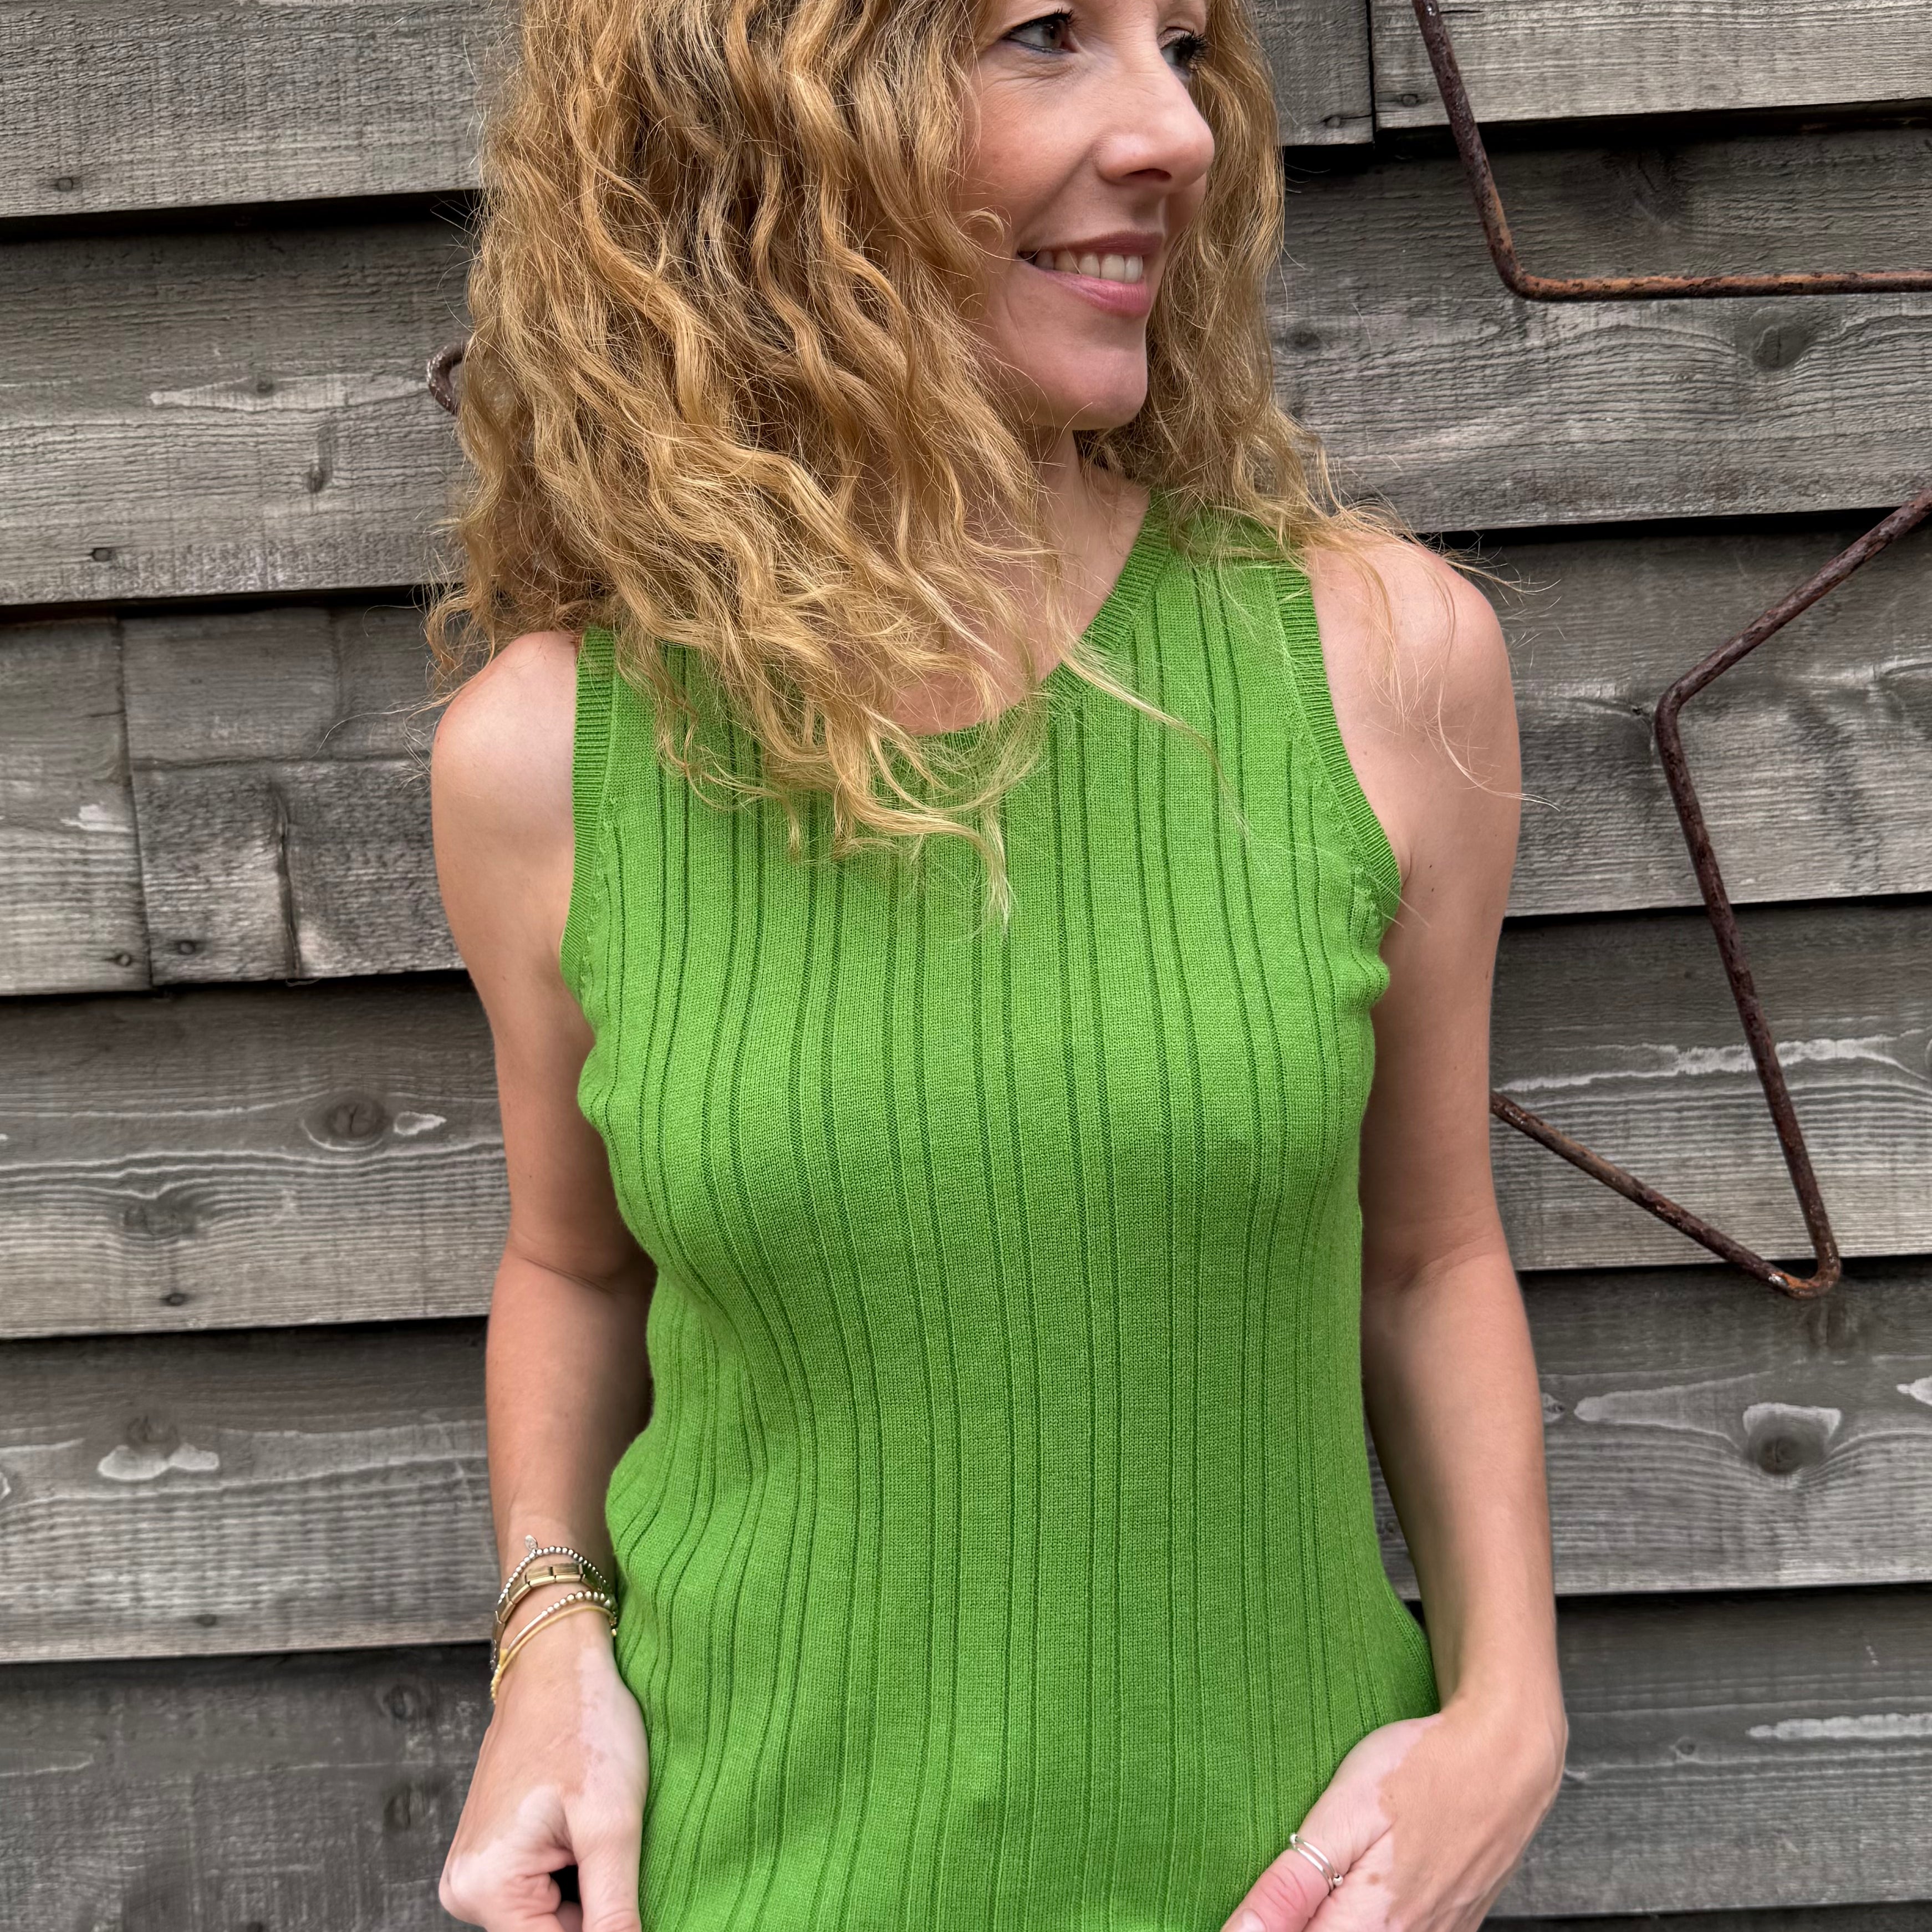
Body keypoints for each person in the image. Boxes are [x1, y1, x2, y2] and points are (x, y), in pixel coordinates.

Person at [427, 0, 1565, 1927]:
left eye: (1182, 42)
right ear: (760, 130)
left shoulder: (1378, 665)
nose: (1177, 131)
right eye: (1051, 34)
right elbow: (575, 1262)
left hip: (1284, 1887)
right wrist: (548, 1629)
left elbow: (1428, 1253)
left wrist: (1508, 1715)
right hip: (745, 1877)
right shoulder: (550, 758)